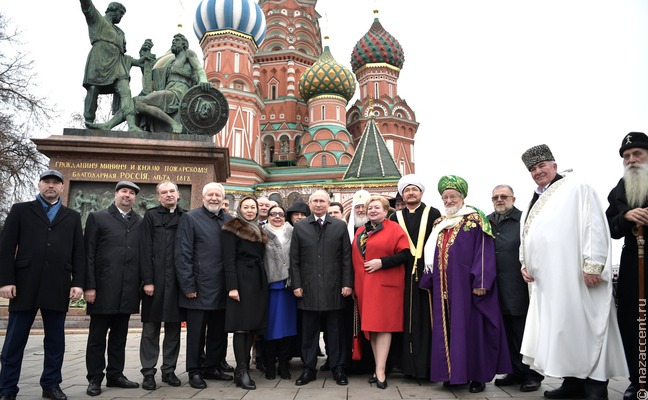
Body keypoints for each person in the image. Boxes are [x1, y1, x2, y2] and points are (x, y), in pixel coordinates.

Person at [519, 144, 628, 400]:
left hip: (578, 277)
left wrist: (593, 265)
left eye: (542, 166)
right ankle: (572, 384)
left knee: (589, 328)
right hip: (550, 282)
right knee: (563, 331)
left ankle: (596, 387)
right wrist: (525, 264)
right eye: (533, 169)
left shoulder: (577, 187)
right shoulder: (535, 198)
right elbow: (528, 235)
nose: (538, 172)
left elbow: (594, 226)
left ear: (554, 166)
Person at [419, 175, 510, 393]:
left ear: (462, 197)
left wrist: (481, 280)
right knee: (447, 330)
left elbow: (484, 251)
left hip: (468, 288)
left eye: (453, 196)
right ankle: (452, 374)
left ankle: (477, 377)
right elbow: (432, 254)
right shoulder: (439, 223)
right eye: (445, 197)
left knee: (472, 330)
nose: (449, 201)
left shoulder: (475, 219)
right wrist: (430, 279)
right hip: (443, 288)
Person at [0, 170, 85, 400]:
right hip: (24, 285)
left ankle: (51, 385)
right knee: (14, 341)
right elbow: (6, 248)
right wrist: (6, 280)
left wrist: (77, 282)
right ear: (39, 185)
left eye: (55, 183)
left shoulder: (72, 216)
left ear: (62, 188)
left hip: (57, 285)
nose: (51, 186)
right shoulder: (20, 210)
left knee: (55, 341)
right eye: (47, 182)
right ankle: (7, 389)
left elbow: (79, 253)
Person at [84, 181, 142, 396]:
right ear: (116, 194)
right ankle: (95, 378)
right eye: (123, 191)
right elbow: (88, 254)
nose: (127, 195)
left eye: (131, 193)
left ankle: (115, 374)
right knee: (97, 337)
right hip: (102, 288)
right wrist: (89, 286)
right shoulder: (97, 217)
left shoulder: (140, 221)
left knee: (120, 336)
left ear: (135, 198)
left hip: (128, 289)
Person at [289, 190, 353, 386]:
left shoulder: (339, 226)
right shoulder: (300, 227)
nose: (318, 204)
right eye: (315, 201)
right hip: (308, 288)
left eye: (322, 201)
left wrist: (347, 283)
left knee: (335, 331)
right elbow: (295, 260)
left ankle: (337, 368)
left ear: (328, 203)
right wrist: (297, 285)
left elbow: (346, 258)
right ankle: (309, 369)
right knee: (309, 332)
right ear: (310, 204)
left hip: (334, 287)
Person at [175, 182, 233, 389]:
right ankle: (194, 371)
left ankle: (212, 366)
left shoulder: (229, 220)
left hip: (223, 286)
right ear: (203, 197)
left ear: (223, 198)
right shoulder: (190, 218)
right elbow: (183, 254)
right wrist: (188, 285)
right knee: (196, 333)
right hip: (198, 287)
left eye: (218, 195)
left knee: (219, 331)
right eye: (210, 195)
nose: (214, 198)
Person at [487, 184, 544, 392]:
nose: (499, 200)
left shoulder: (523, 219)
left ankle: (532, 374)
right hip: (496, 286)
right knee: (506, 330)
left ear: (513, 198)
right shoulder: (488, 221)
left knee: (523, 330)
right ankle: (514, 370)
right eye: (495, 197)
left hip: (519, 284)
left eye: (504, 196)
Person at [606, 132, 648, 400]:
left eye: (637, 154)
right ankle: (638, 379)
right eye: (627, 156)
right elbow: (609, 227)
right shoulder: (620, 188)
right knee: (633, 321)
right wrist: (625, 215)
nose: (631, 160)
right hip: (634, 261)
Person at [351, 195, 410, 389]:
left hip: (385, 286)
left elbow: (405, 253)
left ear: (386, 211)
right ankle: (378, 368)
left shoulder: (394, 229)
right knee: (371, 328)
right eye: (370, 208)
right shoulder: (361, 230)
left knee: (383, 327)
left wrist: (382, 263)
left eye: (377, 208)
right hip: (364, 286)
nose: (373, 211)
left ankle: (381, 371)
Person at [389, 174, 441, 379]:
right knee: (403, 318)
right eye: (407, 190)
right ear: (402, 194)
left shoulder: (434, 213)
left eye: (414, 189)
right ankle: (404, 366)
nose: (411, 193)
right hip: (401, 273)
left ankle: (427, 367)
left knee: (425, 319)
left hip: (427, 273)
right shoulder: (395, 217)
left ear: (421, 193)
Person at [138, 181, 187, 390]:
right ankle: (148, 372)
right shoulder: (150, 216)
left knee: (174, 329)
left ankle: (169, 370)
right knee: (150, 329)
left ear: (178, 195)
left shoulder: (186, 217)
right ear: (158, 197)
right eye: (164, 192)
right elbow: (145, 249)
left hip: (177, 283)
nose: (168, 195)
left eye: (172, 191)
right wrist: (147, 281)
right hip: (155, 283)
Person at [222, 196, 270, 390]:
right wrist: (232, 286)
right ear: (239, 209)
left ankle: (243, 369)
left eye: (253, 207)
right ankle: (241, 370)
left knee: (251, 327)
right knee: (241, 327)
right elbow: (228, 259)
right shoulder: (232, 227)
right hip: (241, 280)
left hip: (257, 280)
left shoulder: (259, 228)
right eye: (246, 207)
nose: (250, 210)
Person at [79, 0, 141, 131]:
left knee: (126, 91)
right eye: (120, 14)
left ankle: (132, 125)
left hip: (117, 64)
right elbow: (87, 6)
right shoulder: (98, 20)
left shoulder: (120, 32)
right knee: (93, 89)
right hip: (99, 60)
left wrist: (140, 61)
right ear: (113, 10)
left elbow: (124, 55)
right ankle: (89, 121)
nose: (121, 17)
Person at [262, 205, 298, 380]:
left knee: (288, 328)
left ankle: (284, 365)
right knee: (270, 328)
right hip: (269, 288)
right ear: (267, 216)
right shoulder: (260, 233)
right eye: (273, 214)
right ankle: (269, 365)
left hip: (289, 288)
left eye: (281, 214)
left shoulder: (294, 232)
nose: (277, 217)